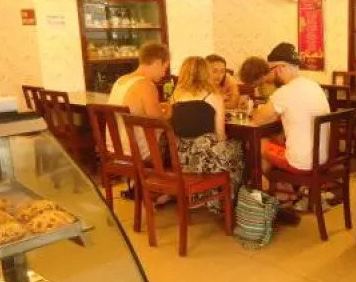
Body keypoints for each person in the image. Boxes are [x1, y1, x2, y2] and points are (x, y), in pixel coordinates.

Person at [171, 56, 244, 209]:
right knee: (239, 151)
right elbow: (220, 135)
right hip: (205, 158)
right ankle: (225, 202)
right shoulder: (212, 97)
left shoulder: (175, 97)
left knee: (230, 152)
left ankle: (202, 196)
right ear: (206, 72)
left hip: (181, 158)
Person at [253, 43, 330, 178]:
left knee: (259, 143)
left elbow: (257, 120)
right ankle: (284, 187)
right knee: (277, 139)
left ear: (279, 68)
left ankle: (266, 188)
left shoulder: (285, 92)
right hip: (322, 158)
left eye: (271, 69)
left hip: (302, 164)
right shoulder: (314, 85)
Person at [106, 41, 170, 160]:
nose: (163, 74)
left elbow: (136, 107)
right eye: (165, 68)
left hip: (114, 150)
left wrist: (159, 106)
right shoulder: (146, 85)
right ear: (157, 63)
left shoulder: (120, 81)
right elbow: (158, 122)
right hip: (138, 154)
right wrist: (170, 112)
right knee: (175, 143)